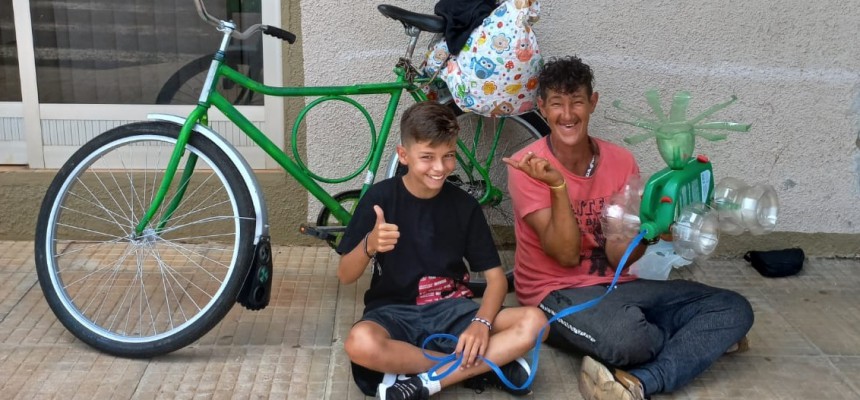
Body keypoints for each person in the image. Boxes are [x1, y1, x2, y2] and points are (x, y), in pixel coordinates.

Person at [503, 56, 754, 400]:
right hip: (555, 292)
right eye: (557, 103)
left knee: (734, 308)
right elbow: (565, 255)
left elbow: (617, 255)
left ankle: (643, 380)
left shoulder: (621, 161)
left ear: (593, 102)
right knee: (629, 341)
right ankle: (690, 346)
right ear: (542, 107)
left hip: (621, 287)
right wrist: (558, 186)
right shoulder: (527, 165)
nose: (568, 114)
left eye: (577, 101)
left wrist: (651, 230)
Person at [336, 101, 547, 400]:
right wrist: (369, 245)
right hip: (394, 313)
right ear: (403, 155)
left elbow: (496, 280)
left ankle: (426, 381)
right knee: (360, 343)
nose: (439, 168)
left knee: (536, 323)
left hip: (453, 310)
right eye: (427, 157)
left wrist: (481, 323)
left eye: (448, 156)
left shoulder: (465, 205)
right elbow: (345, 275)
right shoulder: (379, 197)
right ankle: (481, 366)